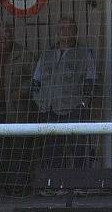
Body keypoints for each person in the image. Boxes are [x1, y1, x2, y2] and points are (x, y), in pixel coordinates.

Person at [0, 21, 36, 193]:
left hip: (16, 109)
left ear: (12, 35)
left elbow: (36, 78)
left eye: (6, 35)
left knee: (18, 147)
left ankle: (18, 187)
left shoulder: (23, 54)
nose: (2, 38)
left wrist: (22, 91)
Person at [32, 16, 97, 168]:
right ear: (56, 32)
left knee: (78, 150)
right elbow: (36, 81)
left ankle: (78, 186)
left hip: (73, 109)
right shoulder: (46, 54)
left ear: (75, 32)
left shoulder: (84, 54)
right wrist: (40, 101)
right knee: (51, 150)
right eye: (62, 28)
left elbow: (90, 80)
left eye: (69, 28)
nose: (65, 32)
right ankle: (54, 187)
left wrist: (82, 103)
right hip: (48, 109)